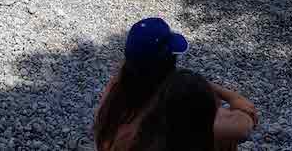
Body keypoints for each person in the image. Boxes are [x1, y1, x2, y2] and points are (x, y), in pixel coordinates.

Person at [95, 17, 258, 151]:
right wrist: (227, 94)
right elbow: (245, 122)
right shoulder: (177, 105)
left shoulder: (116, 91)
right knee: (222, 142)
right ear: (171, 62)